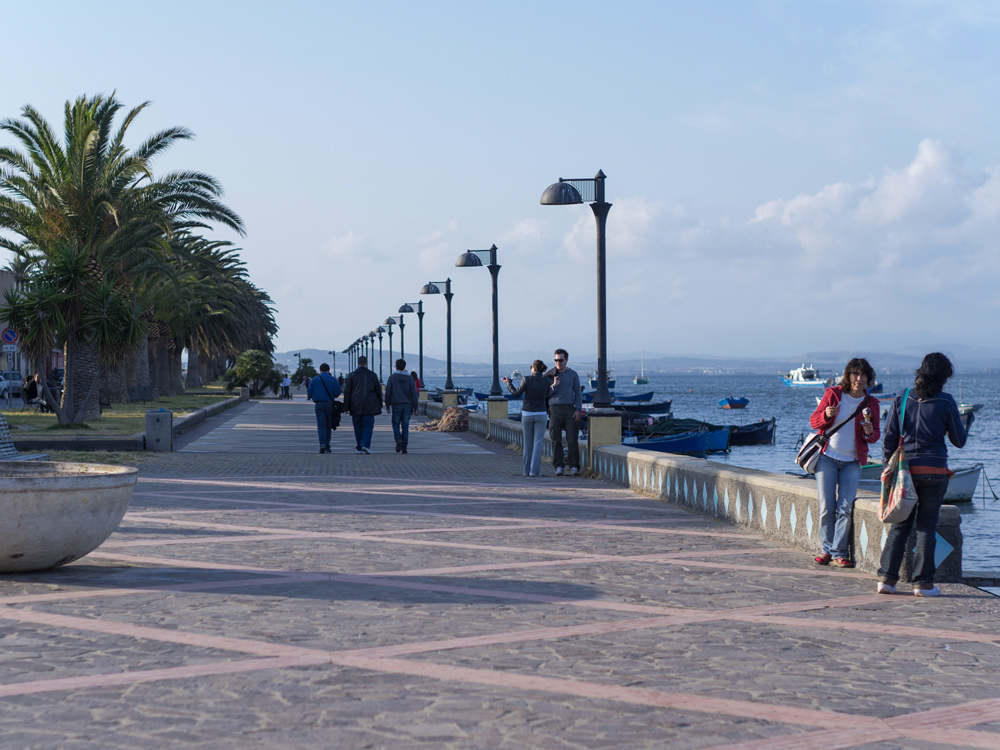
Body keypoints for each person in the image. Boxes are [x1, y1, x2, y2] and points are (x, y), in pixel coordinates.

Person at [877, 353, 967, 596]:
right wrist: (965, 422)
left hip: (906, 472)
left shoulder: (902, 397)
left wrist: (888, 465)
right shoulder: (947, 402)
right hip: (935, 472)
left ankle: (886, 580)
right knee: (927, 527)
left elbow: (889, 438)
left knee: (900, 526)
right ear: (943, 378)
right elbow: (959, 441)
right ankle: (923, 584)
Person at [809, 358, 881, 568]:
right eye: (855, 374)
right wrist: (826, 415)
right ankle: (826, 550)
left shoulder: (871, 404)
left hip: (852, 461)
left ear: (869, 377)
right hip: (827, 458)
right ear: (848, 376)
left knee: (845, 507)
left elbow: (875, 435)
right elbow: (814, 421)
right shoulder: (833, 394)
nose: (858, 379)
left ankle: (839, 552)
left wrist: (868, 432)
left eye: (863, 375)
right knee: (826, 506)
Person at [503, 359, 550, 477]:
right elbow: (549, 394)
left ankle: (526, 471)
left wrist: (508, 383)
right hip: (541, 413)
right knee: (538, 443)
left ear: (533, 368)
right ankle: (534, 471)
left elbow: (516, 394)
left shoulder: (527, 379)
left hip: (527, 414)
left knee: (527, 443)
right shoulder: (546, 381)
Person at [546, 348, 583, 476]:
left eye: (560, 360)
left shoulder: (573, 375)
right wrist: (554, 385)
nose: (558, 363)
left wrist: (578, 409)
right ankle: (558, 466)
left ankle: (574, 466)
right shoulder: (550, 375)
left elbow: (578, 393)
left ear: (566, 360)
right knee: (555, 439)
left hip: (569, 409)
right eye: (556, 360)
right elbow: (545, 393)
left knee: (572, 439)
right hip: (554, 408)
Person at [342, 355, 383, 454]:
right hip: (369, 405)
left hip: (355, 404)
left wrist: (346, 407)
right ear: (366, 363)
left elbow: (347, 391)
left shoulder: (352, 375)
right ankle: (366, 445)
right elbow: (378, 390)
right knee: (368, 425)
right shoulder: (372, 375)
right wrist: (380, 404)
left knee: (357, 426)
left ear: (358, 363)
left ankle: (359, 446)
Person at [384, 358, 419, 454]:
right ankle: (404, 446)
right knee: (405, 425)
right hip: (408, 405)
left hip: (396, 404)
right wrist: (415, 407)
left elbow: (388, 392)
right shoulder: (410, 379)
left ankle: (398, 438)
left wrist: (387, 405)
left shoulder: (392, 378)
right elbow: (414, 393)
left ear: (396, 367)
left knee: (395, 423)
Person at [306, 363, 342, 454]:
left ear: (320, 370)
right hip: (329, 404)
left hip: (318, 404)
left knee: (321, 425)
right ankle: (327, 446)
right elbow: (338, 392)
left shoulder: (314, 380)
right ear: (328, 370)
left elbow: (309, 394)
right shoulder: (333, 379)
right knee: (328, 425)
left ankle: (322, 443)